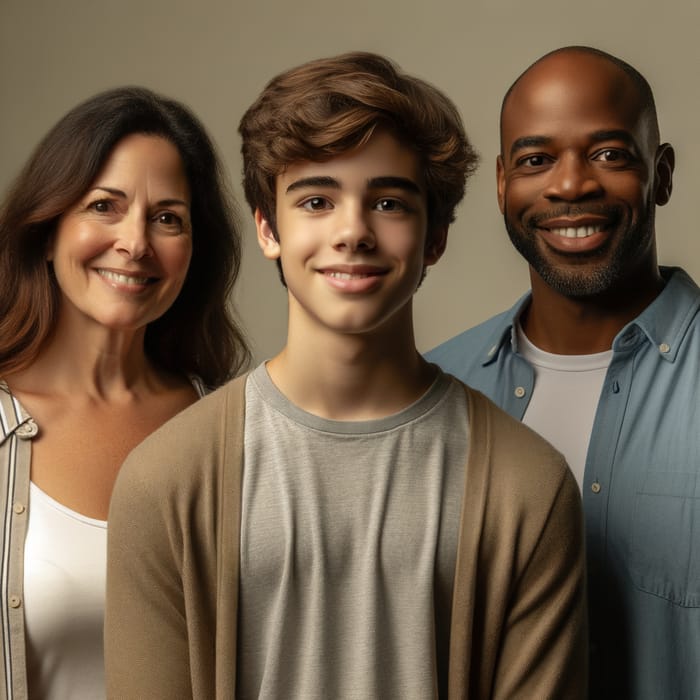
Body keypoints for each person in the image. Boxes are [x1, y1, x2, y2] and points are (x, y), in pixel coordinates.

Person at [105, 52, 586, 699]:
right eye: (317, 200)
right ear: (268, 228)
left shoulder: (528, 488)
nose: (352, 231)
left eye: (387, 201)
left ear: (435, 238)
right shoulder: (164, 482)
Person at [426, 45, 696, 698]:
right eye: (536, 160)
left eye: (608, 153)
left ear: (660, 174)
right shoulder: (435, 390)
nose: (570, 185)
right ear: (501, 184)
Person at [0, 86, 249, 699]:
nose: (136, 243)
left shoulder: (234, 432)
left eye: (168, 218)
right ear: (48, 225)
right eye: (104, 206)